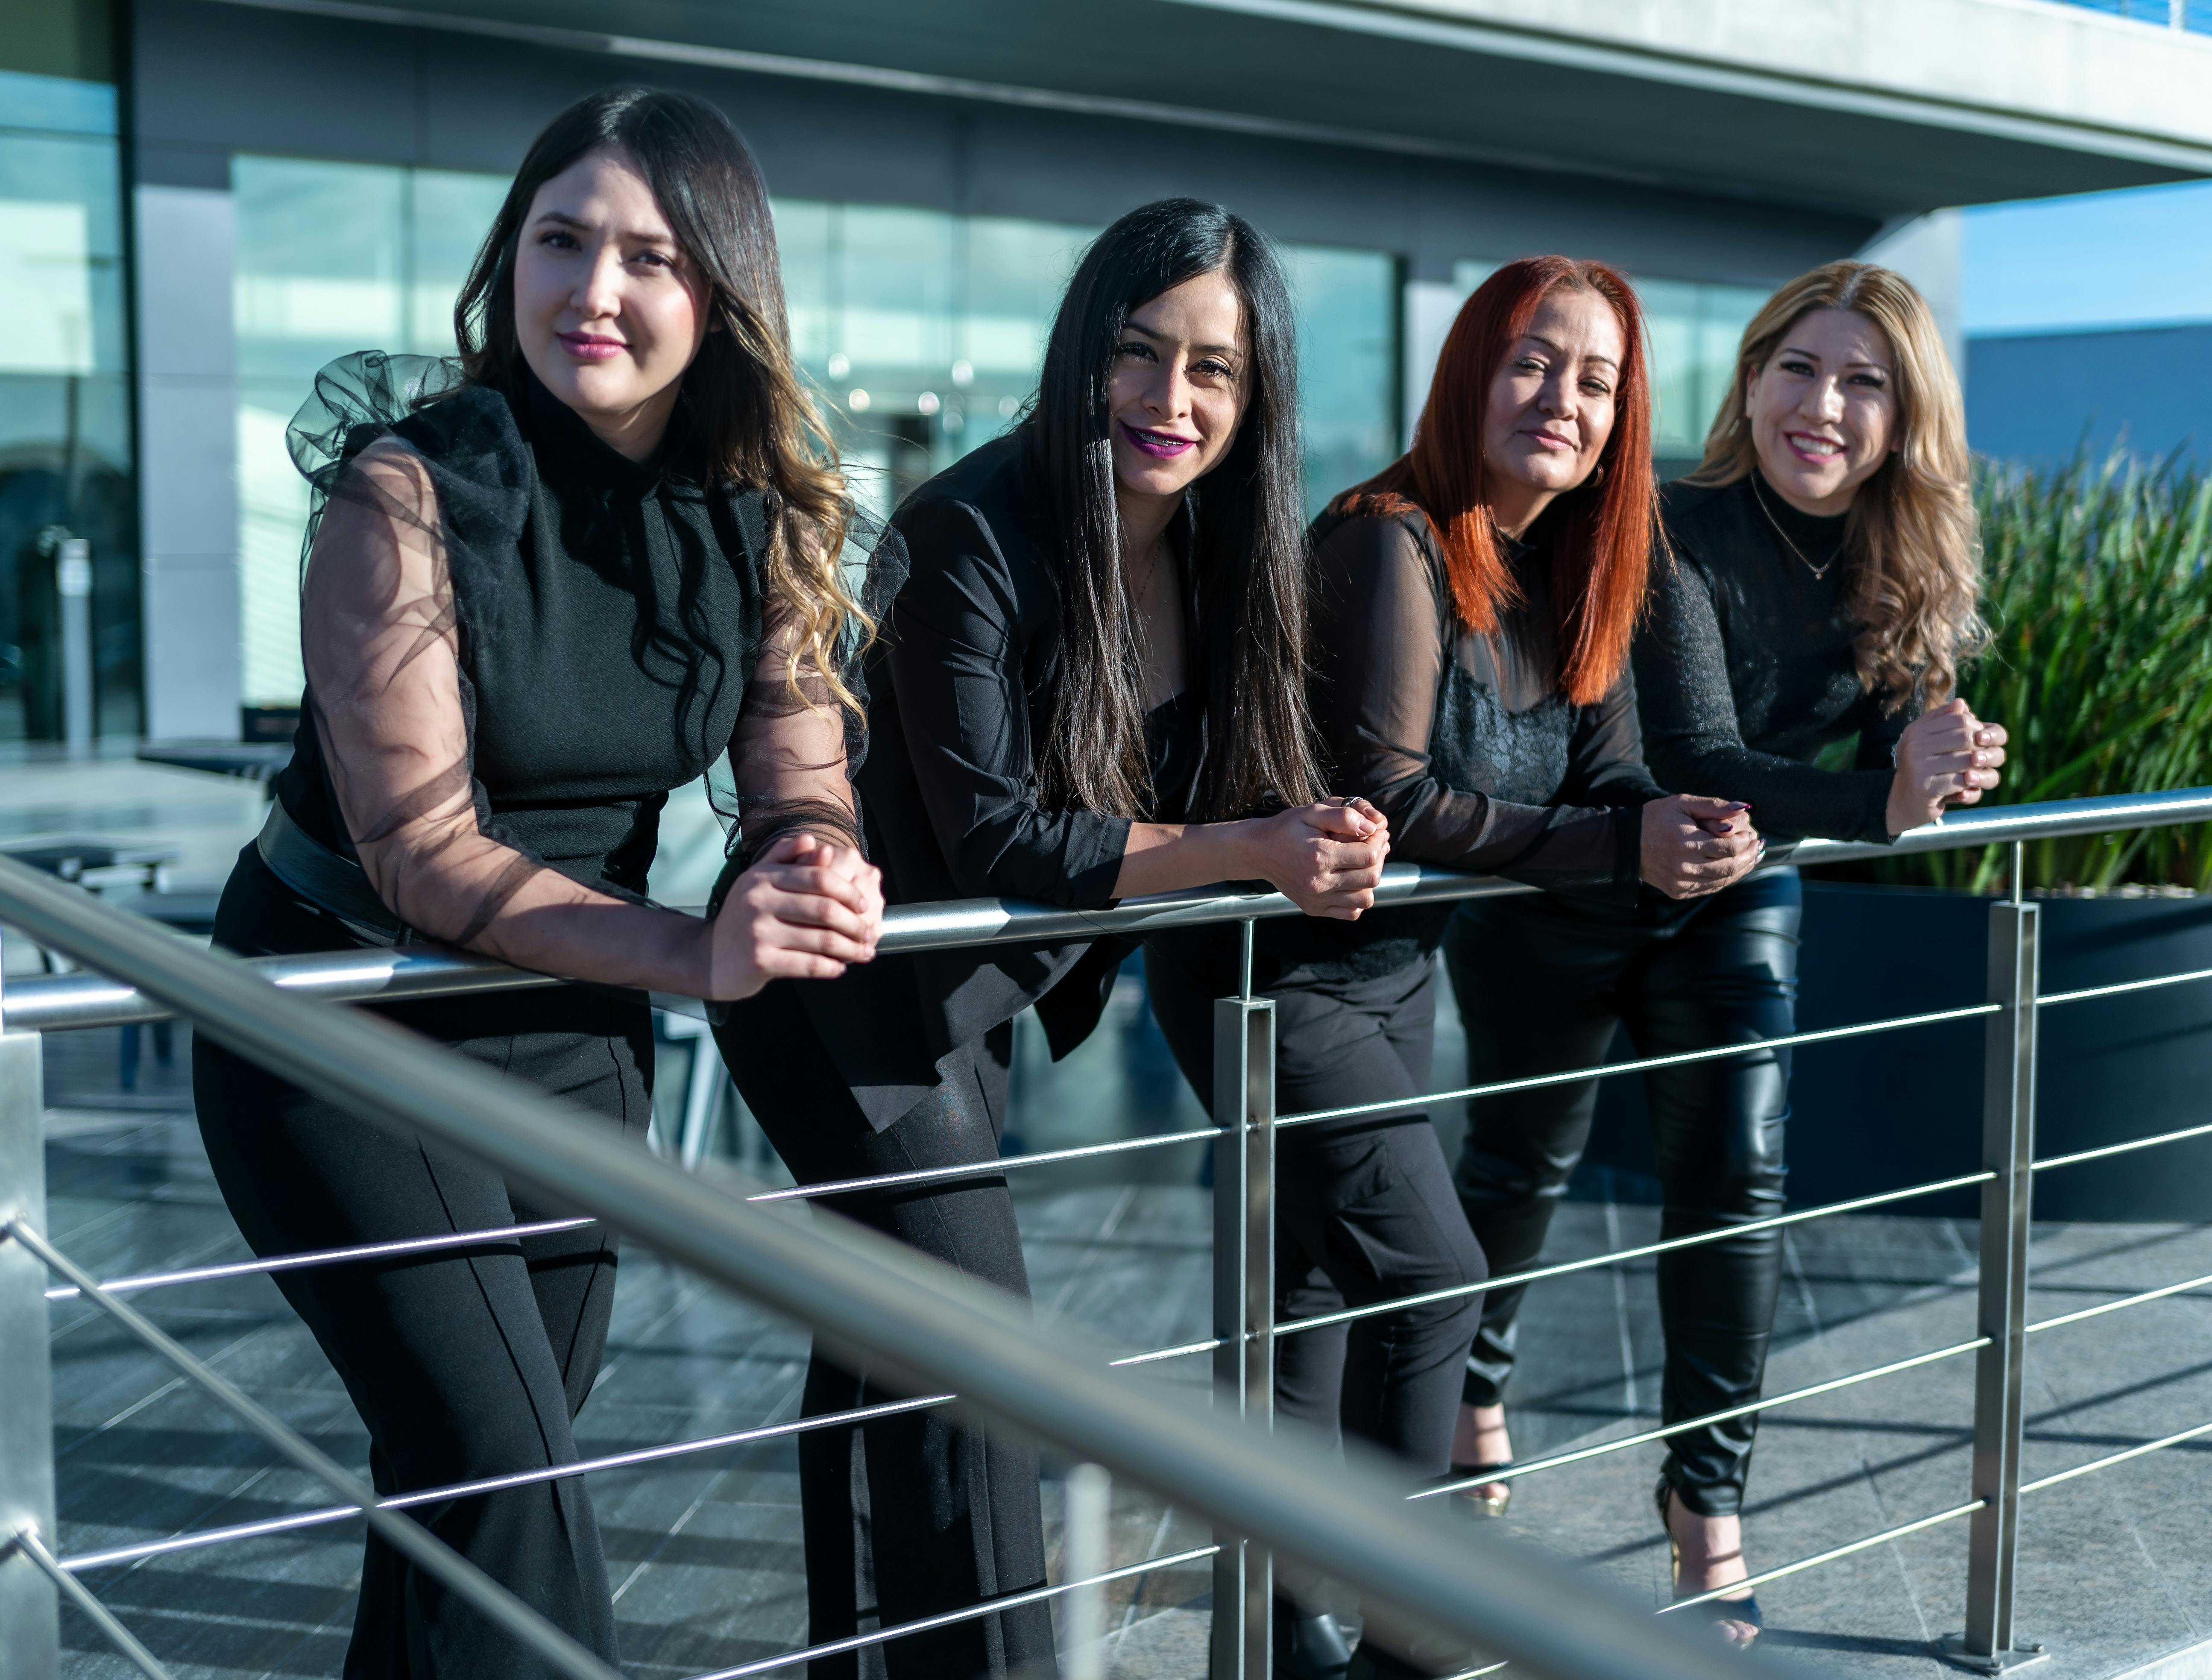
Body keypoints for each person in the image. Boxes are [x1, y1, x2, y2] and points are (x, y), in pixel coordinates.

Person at [192, 88, 885, 1677]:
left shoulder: (758, 516)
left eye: (648, 255)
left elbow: (798, 769)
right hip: (340, 1012)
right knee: (513, 1480)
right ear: (510, 262)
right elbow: (420, 853)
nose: (595, 291)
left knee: (468, 1485)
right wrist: (701, 951)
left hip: (571, 1029)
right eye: (560, 240)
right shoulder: (407, 495)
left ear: (720, 291)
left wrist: (810, 861)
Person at [714, 196, 1390, 1680]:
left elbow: (1242, 780)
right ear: (1083, 351)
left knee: (877, 1341)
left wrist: (1316, 830)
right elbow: (1001, 839)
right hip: (839, 985)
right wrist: (1249, 852)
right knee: (976, 1358)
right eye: (1140, 354)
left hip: (967, 1002)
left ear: (1256, 392)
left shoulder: (1221, 556)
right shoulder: (965, 530)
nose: (1170, 400)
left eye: (1213, 369)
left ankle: (854, 1658)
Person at [1146, 254, 1762, 1680]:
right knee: (1433, 1275)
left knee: (1313, 1295)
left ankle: (1287, 1635)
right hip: (1266, 968)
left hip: (1391, 976)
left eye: (1597, 380)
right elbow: (1394, 793)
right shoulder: (1389, 540)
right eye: (1532, 361)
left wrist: (1684, 830)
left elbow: (1606, 782)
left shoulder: (1572, 577)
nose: (1562, 397)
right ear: (1472, 371)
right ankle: (1410, 1643)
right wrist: (1618, 854)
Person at [1447, 260, 2004, 1648]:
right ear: (1749, 380)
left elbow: (1878, 761)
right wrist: (1883, 798)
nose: (1822, 405)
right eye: (1798, 369)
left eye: (1862, 382)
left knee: (1736, 1185)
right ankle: (1471, 1383)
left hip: (1738, 892)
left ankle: (1707, 1520)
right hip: (1570, 879)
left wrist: (1934, 757)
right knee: (1523, 1165)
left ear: (1903, 416)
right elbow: (1695, 748)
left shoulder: (1908, 561)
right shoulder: (1663, 520)